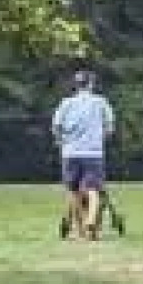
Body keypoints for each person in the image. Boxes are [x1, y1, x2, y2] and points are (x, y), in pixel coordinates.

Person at [51, 70, 117, 241]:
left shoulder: (66, 103)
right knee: (93, 189)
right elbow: (110, 128)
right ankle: (91, 220)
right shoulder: (100, 102)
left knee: (74, 192)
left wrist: (61, 141)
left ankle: (81, 230)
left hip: (70, 153)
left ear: (76, 85)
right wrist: (100, 137)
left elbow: (56, 126)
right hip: (93, 152)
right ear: (91, 84)